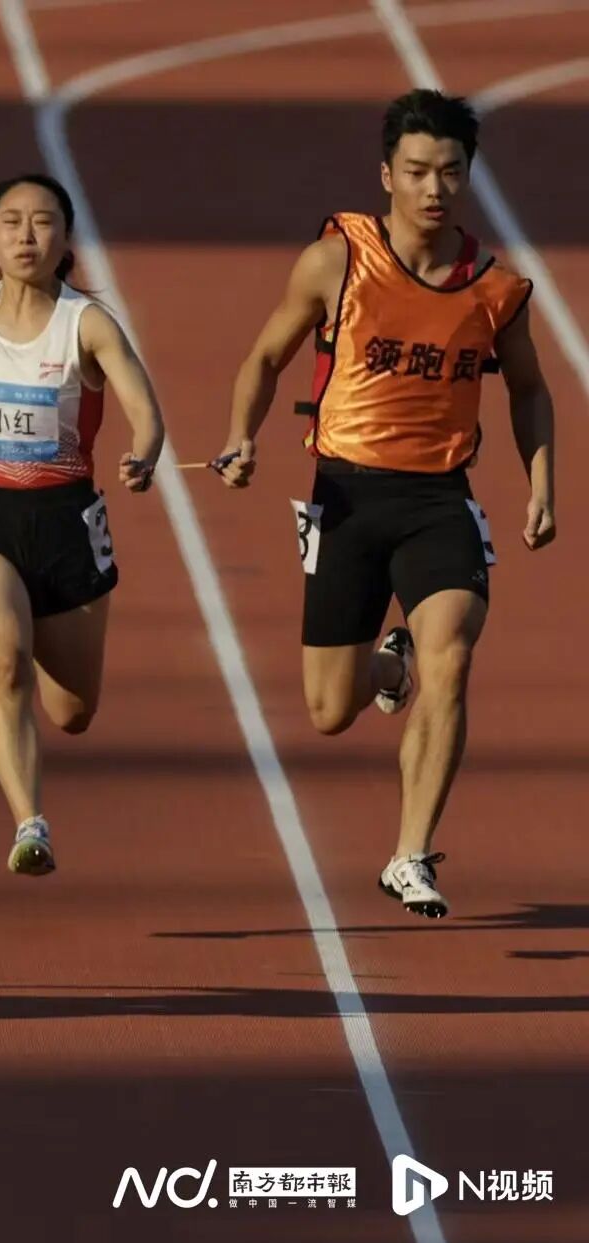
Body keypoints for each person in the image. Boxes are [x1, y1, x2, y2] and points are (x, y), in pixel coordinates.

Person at [215, 89, 555, 919]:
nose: (435, 188)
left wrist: (542, 483)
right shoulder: (337, 260)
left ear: (469, 175)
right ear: (386, 175)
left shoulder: (496, 288)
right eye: (417, 171)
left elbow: (529, 389)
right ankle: (387, 668)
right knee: (330, 709)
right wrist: (241, 436)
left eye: (451, 171)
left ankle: (411, 853)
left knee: (454, 656)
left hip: (438, 499)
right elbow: (264, 357)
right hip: (345, 496)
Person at [0, 173, 165, 877]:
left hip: (63, 526)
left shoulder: (88, 325)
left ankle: (44, 657)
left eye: (43, 222)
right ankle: (30, 822)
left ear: (65, 240)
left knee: (73, 712)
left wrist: (144, 454)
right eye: (11, 221)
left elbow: (144, 409)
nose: (26, 235)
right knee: (3, 658)